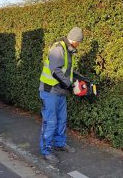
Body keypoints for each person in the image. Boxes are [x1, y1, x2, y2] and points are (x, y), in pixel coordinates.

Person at [39, 27, 84, 164]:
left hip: (60, 91)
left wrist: (79, 79)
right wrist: (70, 85)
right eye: (79, 42)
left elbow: (67, 71)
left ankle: (59, 143)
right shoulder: (59, 49)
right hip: (50, 91)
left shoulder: (69, 50)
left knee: (62, 119)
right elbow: (55, 71)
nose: (79, 45)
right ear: (75, 40)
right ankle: (46, 150)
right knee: (50, 121)